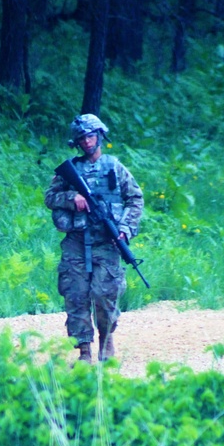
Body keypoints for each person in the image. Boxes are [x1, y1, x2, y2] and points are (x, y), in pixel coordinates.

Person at [44, 114, 144, 363]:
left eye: (90, 136)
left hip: (106, 243)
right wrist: (71, 199)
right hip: (76, 242)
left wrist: (124, 229)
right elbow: (50, 197)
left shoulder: (114, 167)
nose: (86, 142)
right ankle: (84, 350)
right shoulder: (70, 170)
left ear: (99, 136)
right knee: (75, 295)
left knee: (104, 293)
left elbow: (135, 199)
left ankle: (106, 339)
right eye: (82, 138)